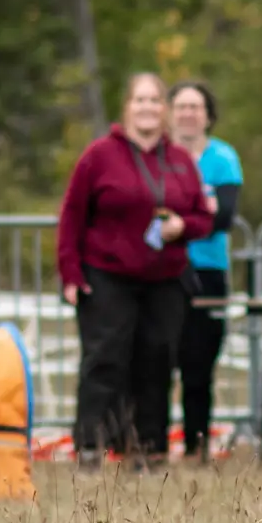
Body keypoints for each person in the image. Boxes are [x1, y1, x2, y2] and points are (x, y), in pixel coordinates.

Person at [58, 73, 213, 471]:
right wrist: (70, 273)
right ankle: (91, 447)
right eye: (139, 100)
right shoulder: (99, 155)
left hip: (165, 279)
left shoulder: (179, 160)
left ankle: (148, 449)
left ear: (164, 109)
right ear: (127, 107)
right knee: (105, 360)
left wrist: (182, 227)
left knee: (156, 362)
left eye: (154, 100)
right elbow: (73, 215)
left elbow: (202, 218)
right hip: (107, 274)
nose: (147, 107)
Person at [167, 80, 242, 461]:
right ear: (170, 112)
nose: (188, 113)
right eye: (181, 106)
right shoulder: (156, 156)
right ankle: (148, 445)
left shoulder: (223, 158)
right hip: (161, 269)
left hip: (208, 269)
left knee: (198, 364)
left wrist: (178, 219)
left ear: (208, 115)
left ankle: (197, 447)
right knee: (157, 359)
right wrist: (199, 212)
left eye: (195, 106)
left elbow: (224, 217)